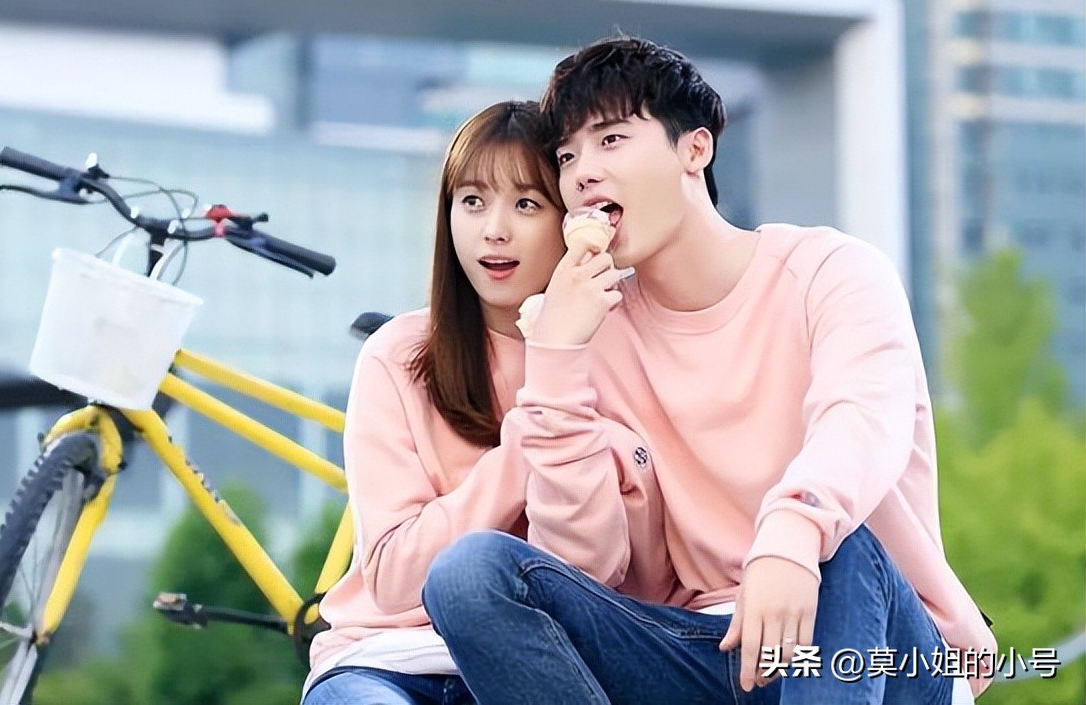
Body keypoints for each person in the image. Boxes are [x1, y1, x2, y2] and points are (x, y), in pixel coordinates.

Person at [422, 38, 998, 704]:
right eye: (567, 156)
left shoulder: (832, 272)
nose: (581, 173)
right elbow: (585, 567)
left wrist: (791, 533)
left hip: (875, 647)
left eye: (611, 140)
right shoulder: (596, 331)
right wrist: (555, 362)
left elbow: (860, 421)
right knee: (469, 574)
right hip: (706, 653)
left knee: (841, 546)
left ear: (695, 149)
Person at [302, 101, 676, 704]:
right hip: (389, 663)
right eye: (472, 201)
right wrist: (533, 435)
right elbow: (395, 576)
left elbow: (601, 575)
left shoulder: (618, 350)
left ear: (571, 220)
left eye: (526, 204)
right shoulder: (398, 355)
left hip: (543, 667)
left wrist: (560, 372)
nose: (494, 230)